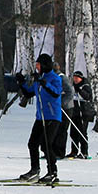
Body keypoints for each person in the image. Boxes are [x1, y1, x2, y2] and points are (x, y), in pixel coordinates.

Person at [15, 53, 63, 183]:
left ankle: (52, 172)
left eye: (38, 65)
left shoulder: (54, 78)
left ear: (45, 65)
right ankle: (34, 170)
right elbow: (29, 93)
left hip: (52, 116)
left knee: (47, 144)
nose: (37, 67)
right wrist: (21, 82)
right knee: (32, 143)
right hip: (40, 116)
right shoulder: (39, 79)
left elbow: (56, 92)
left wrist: (44, 83)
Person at [68, 71, 94, 158]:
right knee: (73, 132)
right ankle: (74, 151)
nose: (75, 79)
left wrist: (80, 90)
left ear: (81, 78)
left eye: (77, 78)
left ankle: (84, 152)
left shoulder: (85, 86)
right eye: (74, 77)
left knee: (82, 132)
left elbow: (88, 97)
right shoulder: (73, 86)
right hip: (75, 113)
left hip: (83, 112)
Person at [54, 68, 74, 158]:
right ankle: (52, 152)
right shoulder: (53, 78)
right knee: (55, 129)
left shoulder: (62, 78)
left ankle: (60, 152)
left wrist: (62, 103)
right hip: (57, 107)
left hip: (66, 108)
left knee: (62, 130)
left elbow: (70, 92)